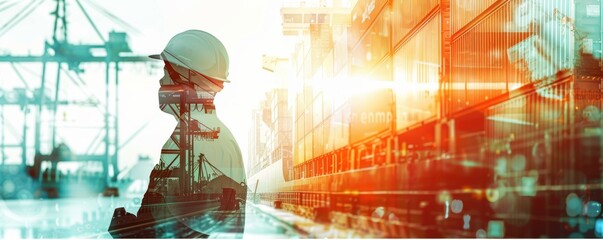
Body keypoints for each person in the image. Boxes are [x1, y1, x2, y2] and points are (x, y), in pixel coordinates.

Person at [108, 30, 246, 238]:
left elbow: (195, 229)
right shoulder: (207, 135)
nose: (161, 81)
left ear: (187, 78)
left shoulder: (203, 141)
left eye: (167, 71)